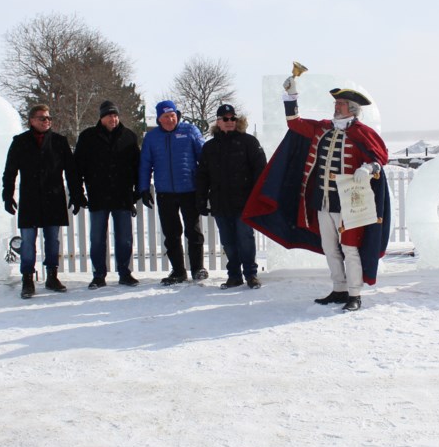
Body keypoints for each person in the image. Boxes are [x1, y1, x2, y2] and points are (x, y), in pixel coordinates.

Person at [243, 75, 390, 311]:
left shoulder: (363, 132)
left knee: (350, 249)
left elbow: (380, 158)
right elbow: (295, 123)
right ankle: (339, 289)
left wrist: (368, 167)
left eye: (340, 104)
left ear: (351, 109)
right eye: (335, 104)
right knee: (330, 248)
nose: (336, 107)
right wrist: (291, 97)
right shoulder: (323, 128)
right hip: (322, 201)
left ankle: (355, 294)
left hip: (350, 203)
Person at [2, 104, 85, 299]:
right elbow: (10, 171)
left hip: (53, 198)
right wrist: (7, 195)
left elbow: (71, 172)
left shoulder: (59, 142)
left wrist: (76, 194)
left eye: (48, 118)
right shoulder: (20, 142)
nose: (46, 121)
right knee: (28, 241)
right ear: (31, 121)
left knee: (53, 240)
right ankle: (28, 279)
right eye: (41, 118)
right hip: (30, 199)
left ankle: (52, 276)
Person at [195, 104, 267, 289]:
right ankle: (234, 275)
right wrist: (201, 198)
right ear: (218, 122)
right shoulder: (209, 147)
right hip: (220, 201)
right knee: (228, 241)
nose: (229, 122)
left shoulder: (249, 142)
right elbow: (202, 174)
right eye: (225, 119)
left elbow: (261, 170)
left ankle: (251, 274)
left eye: (232, 118)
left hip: (244, 201)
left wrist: (257, 196)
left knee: (245, 238)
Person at [138, 100, 207, 284]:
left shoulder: (190, 131)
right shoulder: (151, 138)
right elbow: (145, 164)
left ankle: (198, 268)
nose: (169, 120)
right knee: (171, 233)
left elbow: (205, 157)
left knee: (193, 231)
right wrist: (143, 188)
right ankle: (178, 271)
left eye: (172, 116)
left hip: (189, 190)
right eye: (165, 117)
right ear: (159, 119)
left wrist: (206, 184)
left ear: (177, 115)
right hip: (165, 192)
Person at [74, 100, 141, 289]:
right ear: (101, 117)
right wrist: (78, 192)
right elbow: (77, 168)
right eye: (109, 115)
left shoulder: (129, 136)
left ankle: (124, 273)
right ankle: (99, 275)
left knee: (125, 238)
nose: (113, 118)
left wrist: (137, 190)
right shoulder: (88, 137)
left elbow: (138, 167)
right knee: (97, 238)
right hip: (98, 195)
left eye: (115, 115)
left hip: (122, 196)